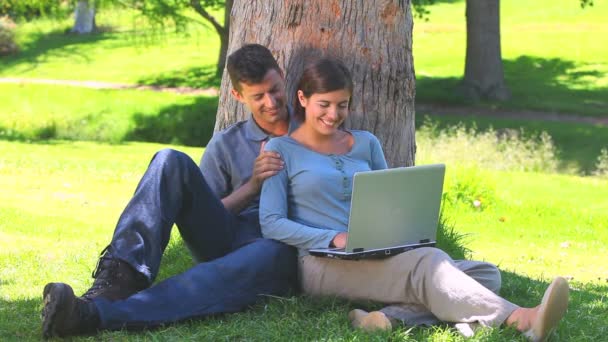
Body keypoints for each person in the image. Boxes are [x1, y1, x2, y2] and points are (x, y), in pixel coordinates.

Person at [259, 58, 569, 341]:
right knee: (430, 265)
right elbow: (271, 223)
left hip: (377, 252)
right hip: (321, 264)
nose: (333, 114)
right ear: (302, 99)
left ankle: (385, 319)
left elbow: (390, 195)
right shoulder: (280, 149)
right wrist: (334, 238)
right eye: (324, 105)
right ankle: (523, 320)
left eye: (342, 105)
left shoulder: (366, 143)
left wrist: (401, 232)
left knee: (484, 273)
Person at [41, 44, 300, 338]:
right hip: (229, 236)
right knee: (169, 159)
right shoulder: (226, 143)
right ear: (238, 96)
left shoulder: (315, 129)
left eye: (274, 89)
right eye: (258, 96)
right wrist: (253, 185)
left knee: (226, 270)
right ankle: (118, 279)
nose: (271, 102)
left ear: (281, 75)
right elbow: (210, 213)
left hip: (277, 244)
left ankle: (92, 315)